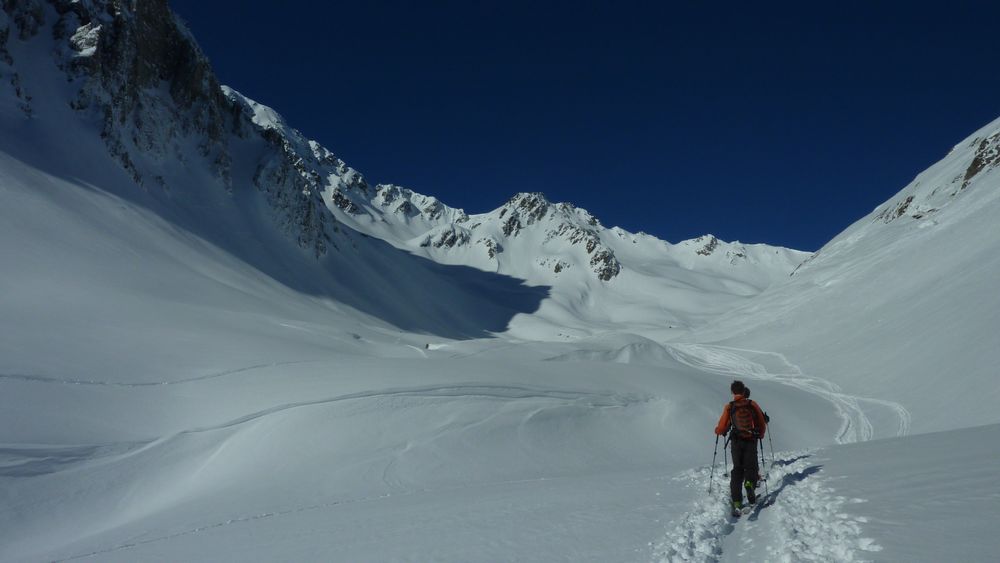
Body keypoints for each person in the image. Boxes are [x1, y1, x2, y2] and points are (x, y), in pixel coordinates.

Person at [714, 380, 767, 515]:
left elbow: (721, 427)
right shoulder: (752, 404)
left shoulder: (729, 407)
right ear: (744, 391)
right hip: (750, 440)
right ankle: (749, 483)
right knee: (751, 467)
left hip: (736, 442)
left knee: (737, 469)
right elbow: (761, 422)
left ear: (732, 392)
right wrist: (760, 435)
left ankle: (737, 501)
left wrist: (719, 431)